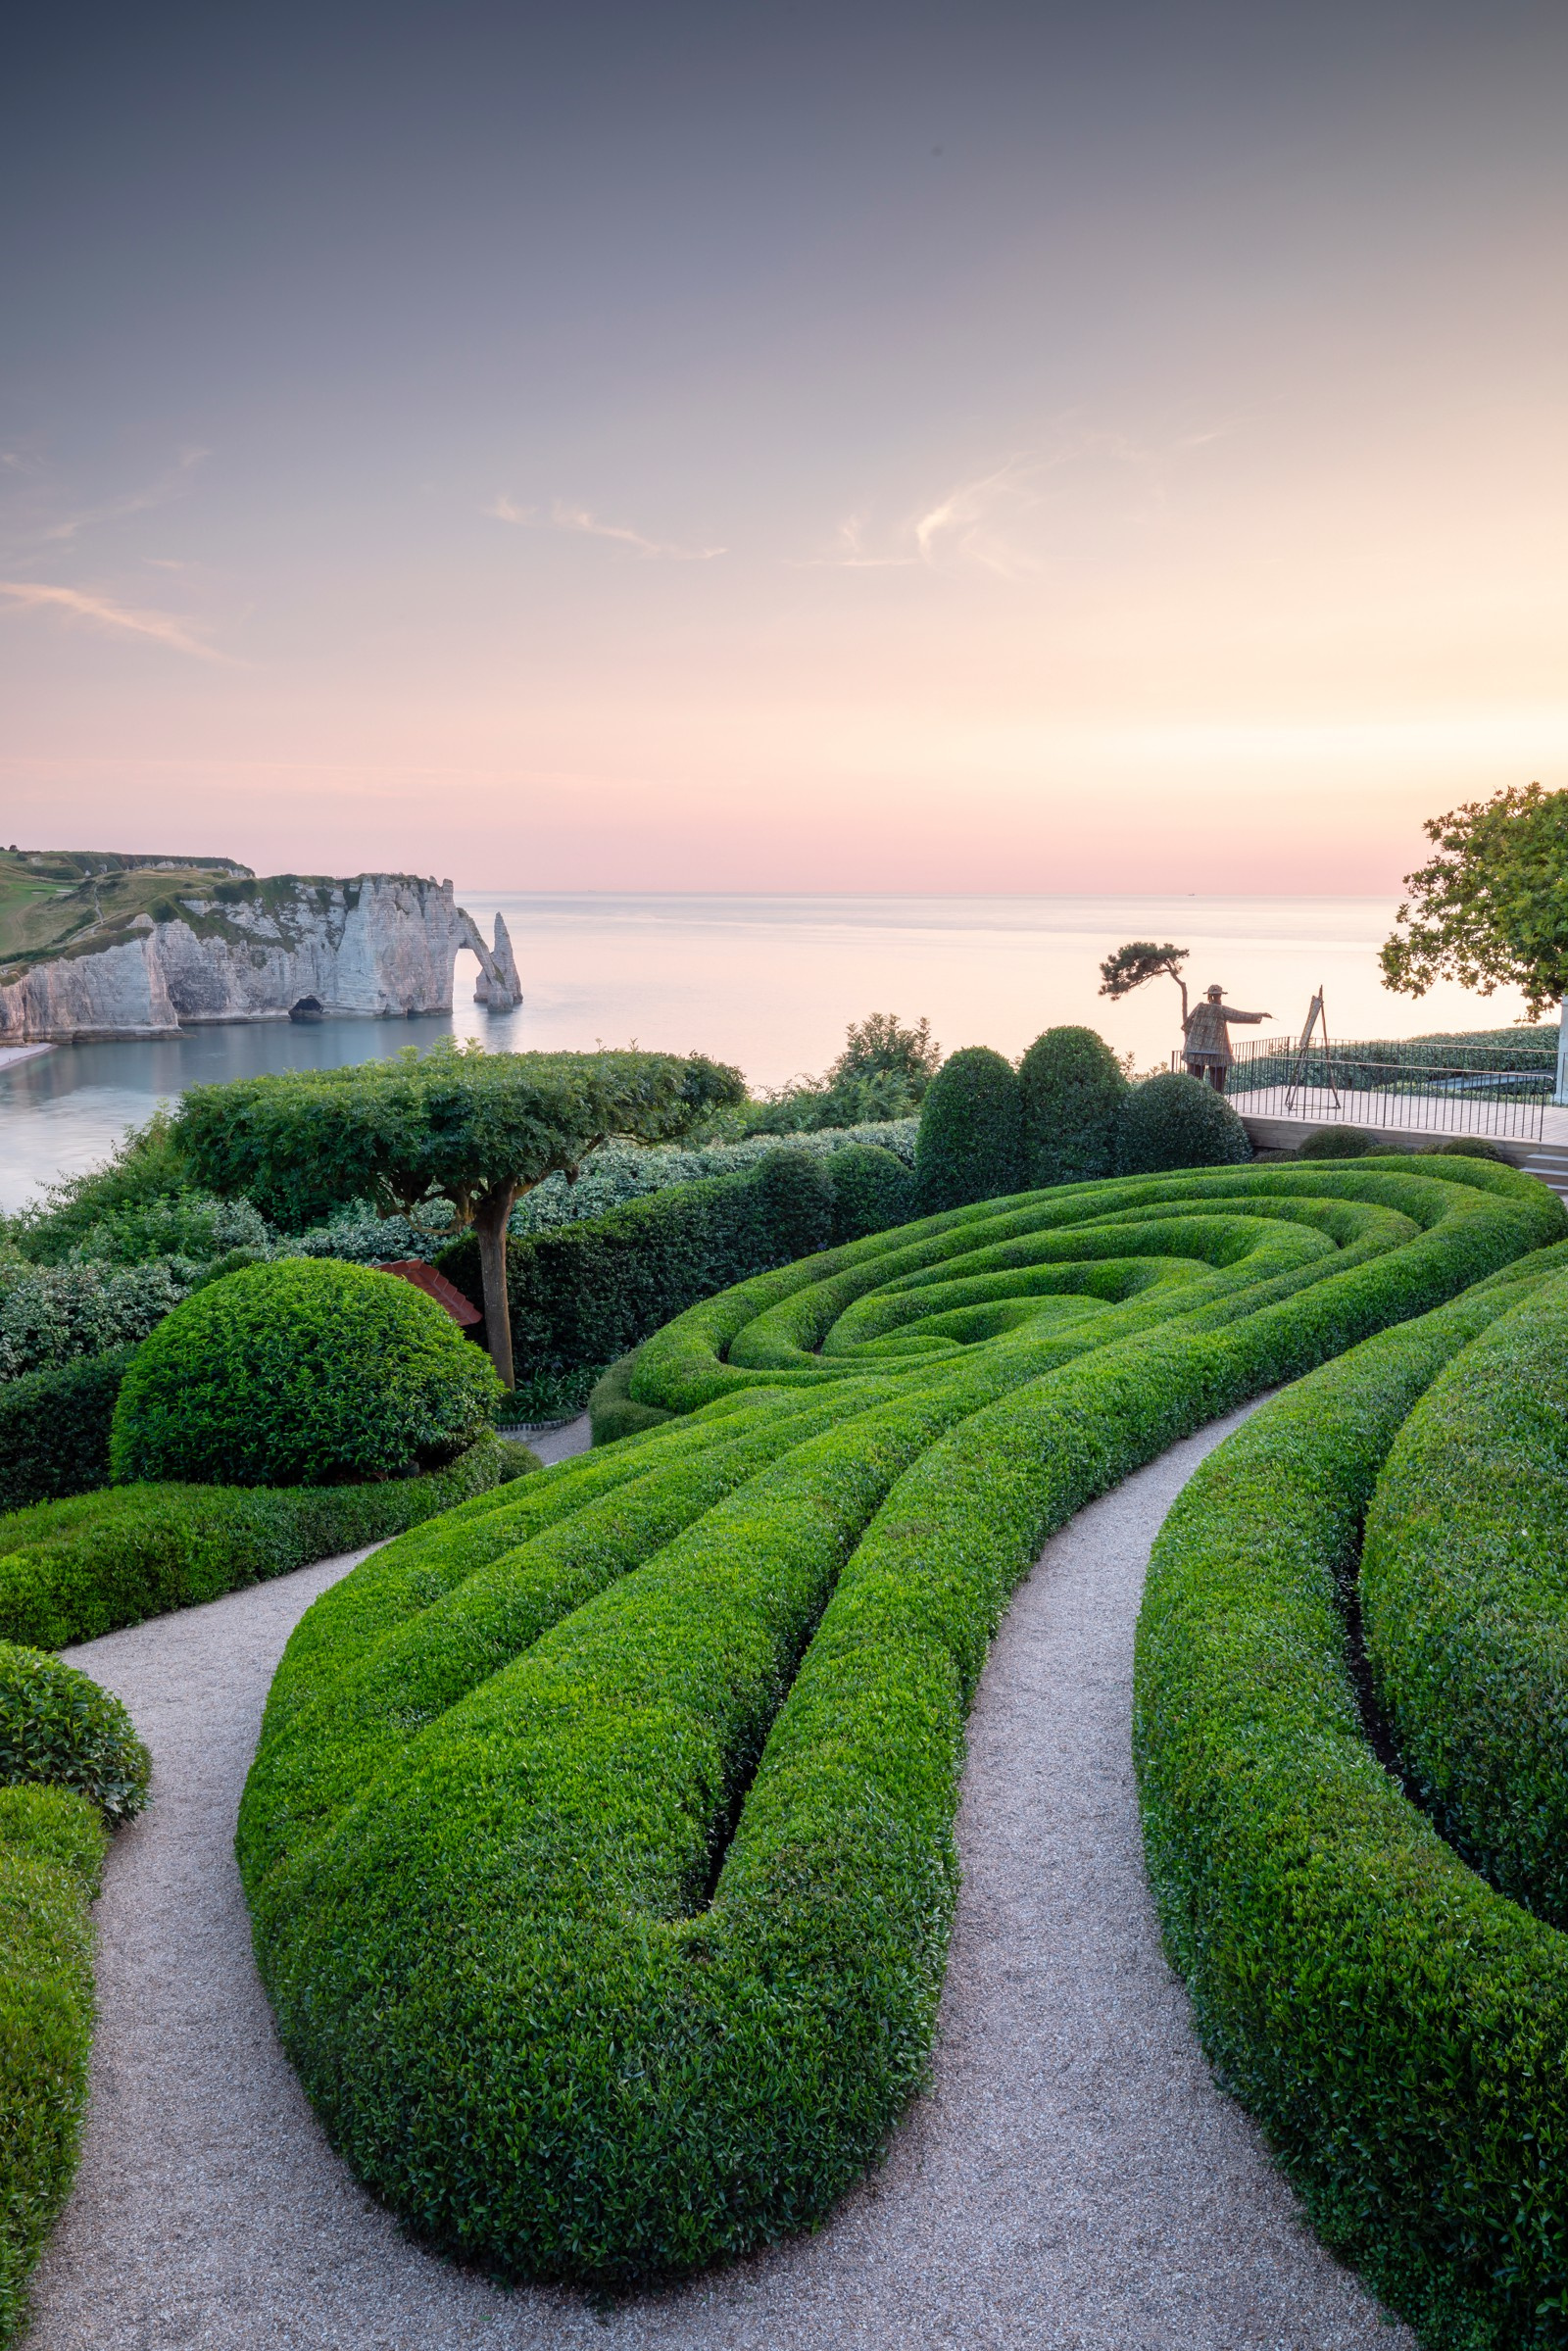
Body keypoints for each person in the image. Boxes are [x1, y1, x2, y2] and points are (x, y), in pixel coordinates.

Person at [1182, 984, 1269, 1092]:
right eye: (1218, 996)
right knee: (1217, 1083)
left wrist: (1199, 1037)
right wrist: (1260, 1015)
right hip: (1216, 1051)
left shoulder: (1200, 1008)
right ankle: (1216, 1099)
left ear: (1209, 996)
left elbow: (1186, 1026)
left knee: (1194, 1084)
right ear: (1219, 996)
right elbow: (1239, 1015)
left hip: (1195, 1049)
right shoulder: (1221, 1010)